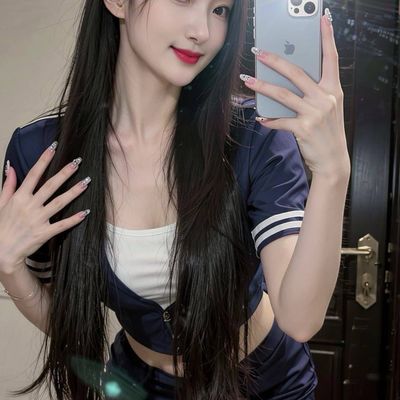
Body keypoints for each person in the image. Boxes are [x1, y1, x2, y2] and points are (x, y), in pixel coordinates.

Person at [0, 0, 350, 399]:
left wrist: (332, 172)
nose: (202, 31)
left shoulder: (255, 137)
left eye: (220, 10)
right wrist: (9, 267)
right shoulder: (42, 153)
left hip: (264, 382)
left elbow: (300, 320)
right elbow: (65, 320)